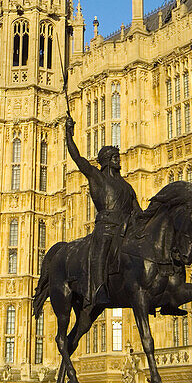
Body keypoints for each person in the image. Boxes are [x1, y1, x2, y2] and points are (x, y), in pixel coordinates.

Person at [65, 114, 141, 313]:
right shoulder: (97, 177)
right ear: (107, 161)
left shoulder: (127, 186)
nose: (119, 160)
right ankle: (97, 288)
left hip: (126, 228)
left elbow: (139, 212)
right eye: (115, 158)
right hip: (106, 227)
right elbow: (78, 159)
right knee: (101, 248)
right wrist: (68, 135)